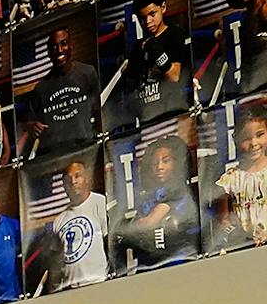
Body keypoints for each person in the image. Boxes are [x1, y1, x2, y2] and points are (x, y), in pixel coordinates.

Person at [114, 132, 200, 267]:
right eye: (155, 163)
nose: (159, 167)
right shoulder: (147, 198)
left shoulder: (180, 192)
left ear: (177, 163)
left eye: (166, 161)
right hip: (148, 268)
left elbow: (147, 224)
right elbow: (135, 232)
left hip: (179, 263)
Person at [116, 0, 190, 133]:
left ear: (163, 7)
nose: (148, 21)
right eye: (143, 18)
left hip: (173, 114)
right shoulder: (137, 47)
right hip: (148, 119)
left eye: (152, 14)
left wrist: (155, 48)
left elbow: (174, 76)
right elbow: (131, 89)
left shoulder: (174, 34)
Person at [22, 24, 101, 156]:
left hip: (85, 147)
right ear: (48, 53)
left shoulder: (88, 73)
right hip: (54, 153)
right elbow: (30, 125)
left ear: (71, 46)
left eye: (63, 44)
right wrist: (31, 126)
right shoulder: (40, 89)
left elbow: (99, 111)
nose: (59, 50)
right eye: (54, 46)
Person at [210, 104, 267, 249]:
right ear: (236, 139)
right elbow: (224, 220)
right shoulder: (230, 179)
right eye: (246, 139)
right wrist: (240, 239)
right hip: (244, 248)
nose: (254, 143)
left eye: (260, 135)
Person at [51, 155, 112, 287]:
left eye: (77, 176)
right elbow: (56, 261)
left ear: (87, 179)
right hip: (71, 289)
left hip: (99, 283)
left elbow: (111, 246)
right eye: (68, 179)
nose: (73, 182)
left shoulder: (100, 203)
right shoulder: (59, 220)